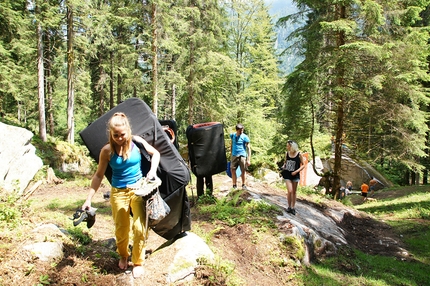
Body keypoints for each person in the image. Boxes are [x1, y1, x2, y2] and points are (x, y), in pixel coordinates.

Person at [82, 112, 160, 279]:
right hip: (118, 192)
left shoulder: (137, 143)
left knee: (140, 227)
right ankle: (123, 254)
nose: (119, 138)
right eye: (115, 135)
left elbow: (156, 154)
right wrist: (88, 199)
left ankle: (138, 261)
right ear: (111, 133)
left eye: (122, 134)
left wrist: (152, 171)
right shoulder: (107, 151)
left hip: (138, 190)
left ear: (128, 131)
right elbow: (98, 176)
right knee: (121, 228)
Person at [281, 140, 304, 215]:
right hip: (287, 174)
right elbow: (286, 162)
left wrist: (296, 171)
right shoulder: (287, 153)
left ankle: (293, 207)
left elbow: (303, 165)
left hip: (295, 175)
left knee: (294, 192)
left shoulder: (299, 154)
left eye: (288, 145)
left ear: (292, 146)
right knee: (290, 191)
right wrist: (283, 166)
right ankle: (289, 206)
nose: (287, 147)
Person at [230, 123, 251, 190]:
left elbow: (249, 148)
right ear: (237, 130)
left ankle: (243, 184)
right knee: (233, 170)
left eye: (242, 130)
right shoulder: (233, 135)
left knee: (243, 170)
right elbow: (232, 144)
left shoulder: (245, 137)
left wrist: (248, 159)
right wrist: (231, 153)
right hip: (234, 155)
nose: (241, 131)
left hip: (242, 155)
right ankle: (234, 185)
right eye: (240, 130)